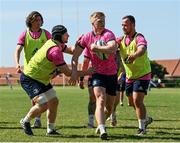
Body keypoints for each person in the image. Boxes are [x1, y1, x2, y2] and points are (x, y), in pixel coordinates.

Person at [19, 25, 93, 136]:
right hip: (30, 79)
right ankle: (25, 121)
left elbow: (73, 51)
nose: (68, 35)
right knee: (43, 104)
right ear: (60, 36)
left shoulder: (55, 43)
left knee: (54, 101)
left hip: (41, 79)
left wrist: (80, 44)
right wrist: (88, 72)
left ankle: (50, 129)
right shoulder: (55, 51)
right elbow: (68, 73)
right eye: (66, 33)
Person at [70, 12, 117, 140]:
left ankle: (101, 122)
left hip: (112, 73)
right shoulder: (86, 37)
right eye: (99, 21)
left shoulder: (108, 34)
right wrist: (75, 71)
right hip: (97, 73)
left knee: (109, 107)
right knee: (100, 99)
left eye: (103, 21)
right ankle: (102, 128)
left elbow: (113, 48)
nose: (102, 23)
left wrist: (97, 48)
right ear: (92, 23)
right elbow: (75, 56)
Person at [14, 11, 52, 128]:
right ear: (30, 21)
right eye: (36, 19)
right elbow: (18, 50)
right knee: (35, 97)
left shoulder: (46, 34)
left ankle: (44, 122)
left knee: (48, 98)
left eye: (40, 19)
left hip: (44, 71)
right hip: (30, 72)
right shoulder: (24, 34)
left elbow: (53, 48)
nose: (38, 22)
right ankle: (36, 119)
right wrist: (17, 64)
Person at [117, 15, 153, 136]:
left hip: (143, 74)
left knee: (137, 101)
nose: (123, 27)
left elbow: (142, 49)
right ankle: (146, 118)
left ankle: (142, 128)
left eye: (125, 25)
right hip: (129, 76)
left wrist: (134, 55)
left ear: (133, 25)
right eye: (122, 25)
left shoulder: (139, 37)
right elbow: (111, 45)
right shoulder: (120, 40)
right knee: (131, 102)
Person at [78, 48, 96, 128]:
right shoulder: (89, 45)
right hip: (92, 75)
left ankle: (110, 115)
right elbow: (85, 63)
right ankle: (91, 122)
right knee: (92, 98)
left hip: (107, 74)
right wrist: (81, 79)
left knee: (105, 100)